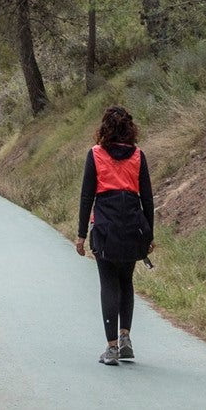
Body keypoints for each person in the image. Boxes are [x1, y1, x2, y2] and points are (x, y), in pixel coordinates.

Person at [74, 105, 155, 366]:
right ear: (130, 129)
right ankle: (125, 339)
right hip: (132, 227)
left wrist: (81, 234)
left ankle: (111, 349)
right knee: (126, 282)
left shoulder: (96, 154)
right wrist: (149, 235)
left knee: (108, 284)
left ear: (104, 128)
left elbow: (87, 196)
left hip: (106, 228)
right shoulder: (138, 156)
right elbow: (147, 198)